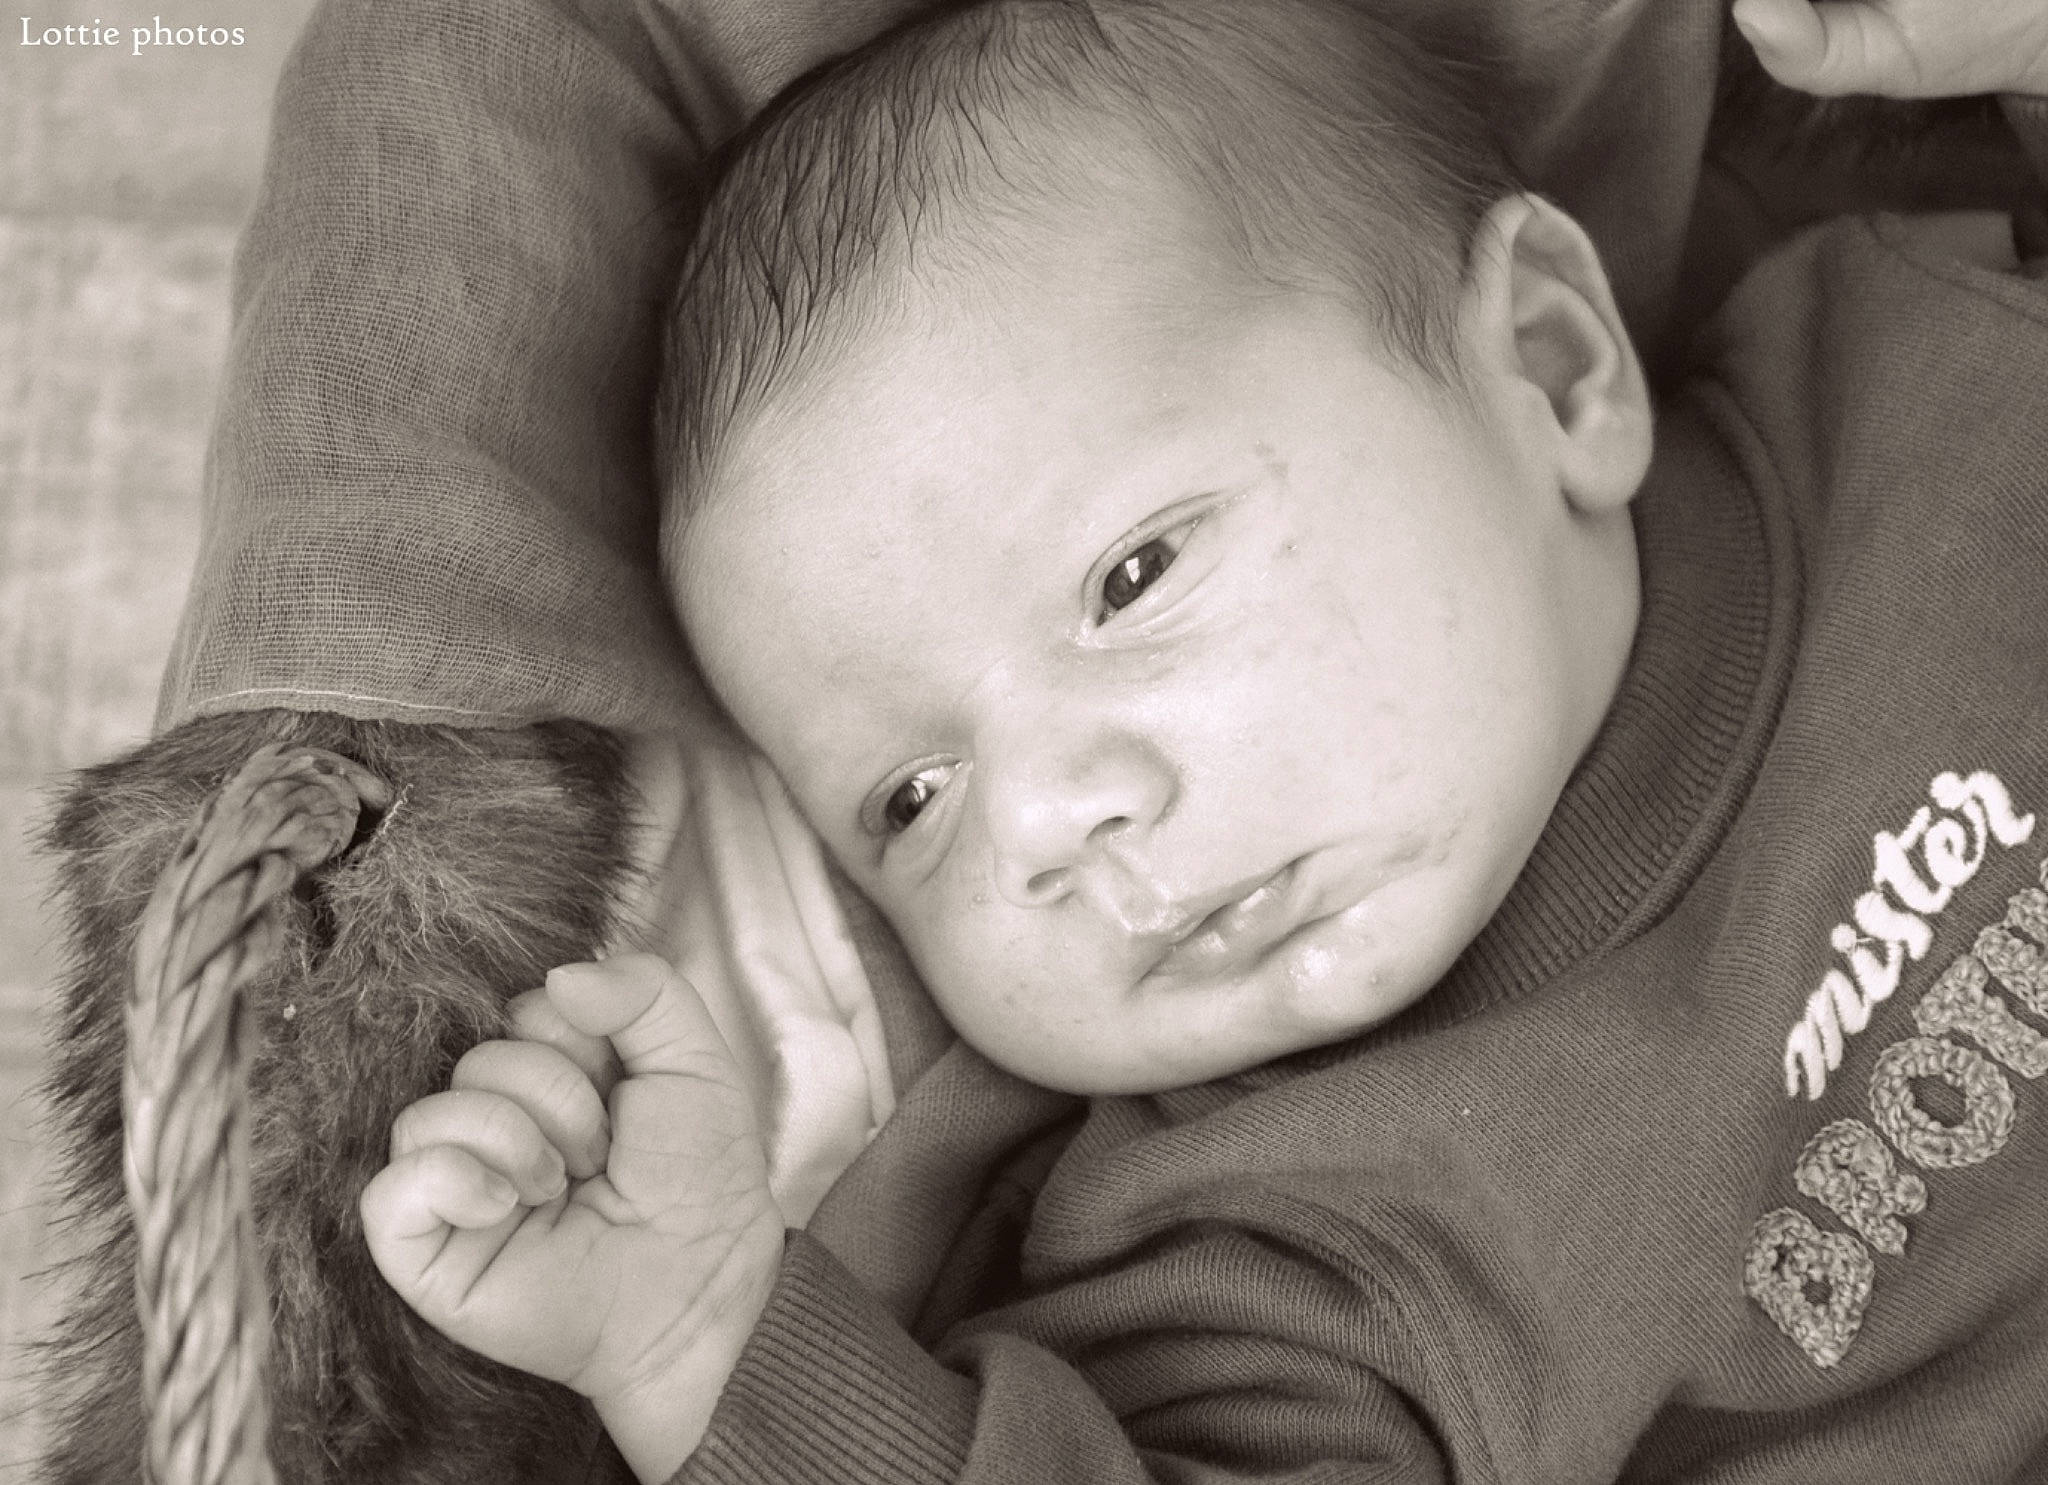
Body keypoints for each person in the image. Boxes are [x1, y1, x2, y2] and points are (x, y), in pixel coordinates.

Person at [359, 0, 2048, 1480]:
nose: (1053, 824)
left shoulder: (1927, 376)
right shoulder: (1270, 1244)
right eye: (914, 796)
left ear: (1550, 364)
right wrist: (702, 1344)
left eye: (1131, 576)